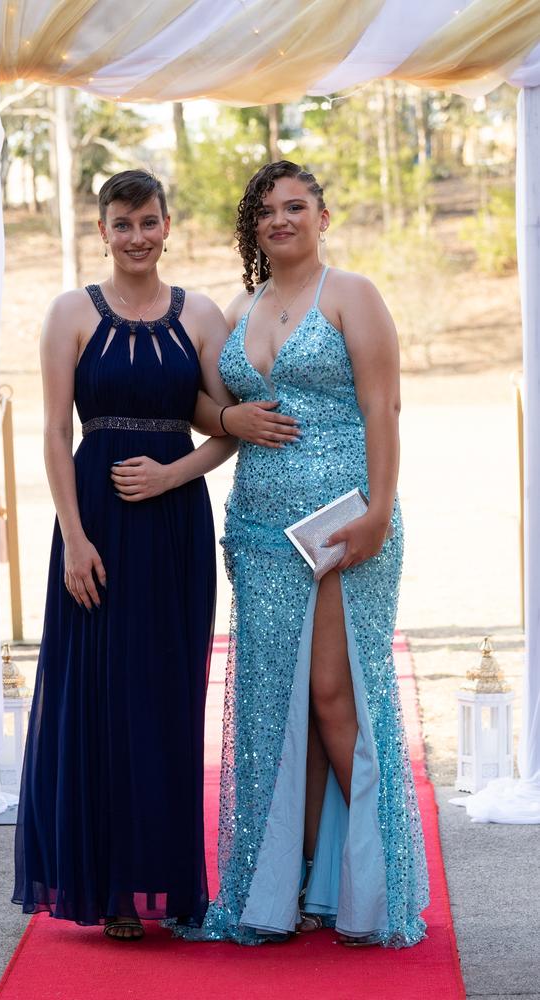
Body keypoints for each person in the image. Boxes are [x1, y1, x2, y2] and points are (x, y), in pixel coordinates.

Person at [11, 169, 297, 941]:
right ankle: (106, 887)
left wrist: (177, 468)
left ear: (168, 225)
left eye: (148, 222)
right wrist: (73, 537)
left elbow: (216, 422)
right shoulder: (70, 312)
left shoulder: (199, 313)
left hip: (172, 528)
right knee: (96, 700)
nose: (136, 236)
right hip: (95, 525)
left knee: (166, 702)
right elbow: (50, 434)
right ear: (102, 231)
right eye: (122, 224)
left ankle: (162, 887)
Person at [182, 160, 429, 947]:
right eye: (266, 210)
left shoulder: (352, 295)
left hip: (342, 527)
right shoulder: (238, 307)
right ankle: (299, 889)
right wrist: (230, 422)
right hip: (257, 534)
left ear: (324, 216)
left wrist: (381, 511)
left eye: (296, 207)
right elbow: (200, 401)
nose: (280, 220)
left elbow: (382, 405)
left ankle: (381, 885)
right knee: (274, 711)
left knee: (332, 698)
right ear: (252, 228)